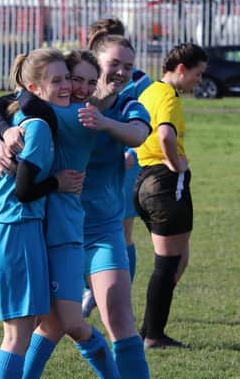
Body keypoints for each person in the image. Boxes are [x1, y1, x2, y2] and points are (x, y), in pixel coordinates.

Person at [0, 49, 121, 379]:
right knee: (29, 329)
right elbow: (25, 187)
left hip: (52, 230)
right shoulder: (46, 119)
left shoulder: (76, 115)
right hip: (24, 227)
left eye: (91, 82)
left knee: (59, 322)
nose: (79, 88)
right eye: (71, 80)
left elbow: (0, 104)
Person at [77, 33, 151, 378]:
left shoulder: (128, 106)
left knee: (120, 319)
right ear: (95, 64)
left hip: (103, 230)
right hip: (55, 230)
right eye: (114, 63)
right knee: (44, 325)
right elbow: (6, 105)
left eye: (128, 66)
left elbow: (138, 133)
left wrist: (105, 123)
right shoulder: (66, 98)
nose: (121, 72)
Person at [134, 42, 208, 349]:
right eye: (198, 74)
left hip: (142, 182)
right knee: (168, 263)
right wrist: (176, 164)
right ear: (181, 69)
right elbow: (165, 133)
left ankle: (149, 328)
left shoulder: (149, 91)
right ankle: (153, 334)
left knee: (178, 257)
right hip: (164, 183)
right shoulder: (167, 96)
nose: (199, 81)